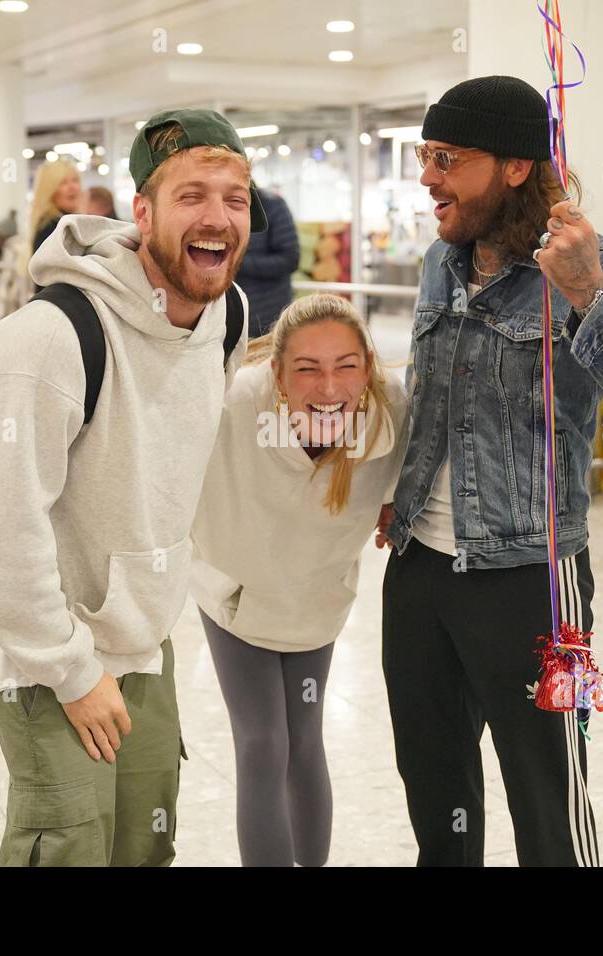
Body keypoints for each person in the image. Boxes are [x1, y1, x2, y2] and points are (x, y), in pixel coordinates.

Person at [382, 76, 603, 867]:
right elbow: (435, 402)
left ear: (516, 167)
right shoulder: (439, 264)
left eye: (448, 158)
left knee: (551, 811)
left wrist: (588, 292)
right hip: (420, 575)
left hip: (534, 580)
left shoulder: (600, 267)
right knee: (436, 804)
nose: (429, 176)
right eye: (426, 155)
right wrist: (405, 492)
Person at [0, 108, 263, 867]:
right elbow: (1, 527)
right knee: (69, 850)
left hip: (143, 643)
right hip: (44, 655)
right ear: (141, 211)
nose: (218, 217)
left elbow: (188, 462)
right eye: (192, 194)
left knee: (144, 846)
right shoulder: (49, 338)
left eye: (236, 197)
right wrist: (70, 669)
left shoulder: (227, 317)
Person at [190, 293, 408, 866]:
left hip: (314, 596)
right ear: (278, 375)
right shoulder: (232, 405)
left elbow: (412, 477)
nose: (329, 388)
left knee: (304, 741)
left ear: (367, 366)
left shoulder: (391, 414)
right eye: (308, 369)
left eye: (345, 366)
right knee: (264, 743)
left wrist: (393, 509)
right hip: (236, 593)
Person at [234, 186, 301, 337]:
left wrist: (236, 262)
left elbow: (290, 258)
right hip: (233, 317)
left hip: (268, 318)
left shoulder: (272, 205)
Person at [29, 159, 82, 255]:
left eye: (75, 180)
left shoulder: (70, 221)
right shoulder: (49, 227)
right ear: (50, 189)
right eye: (63, 183)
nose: (72, 187)